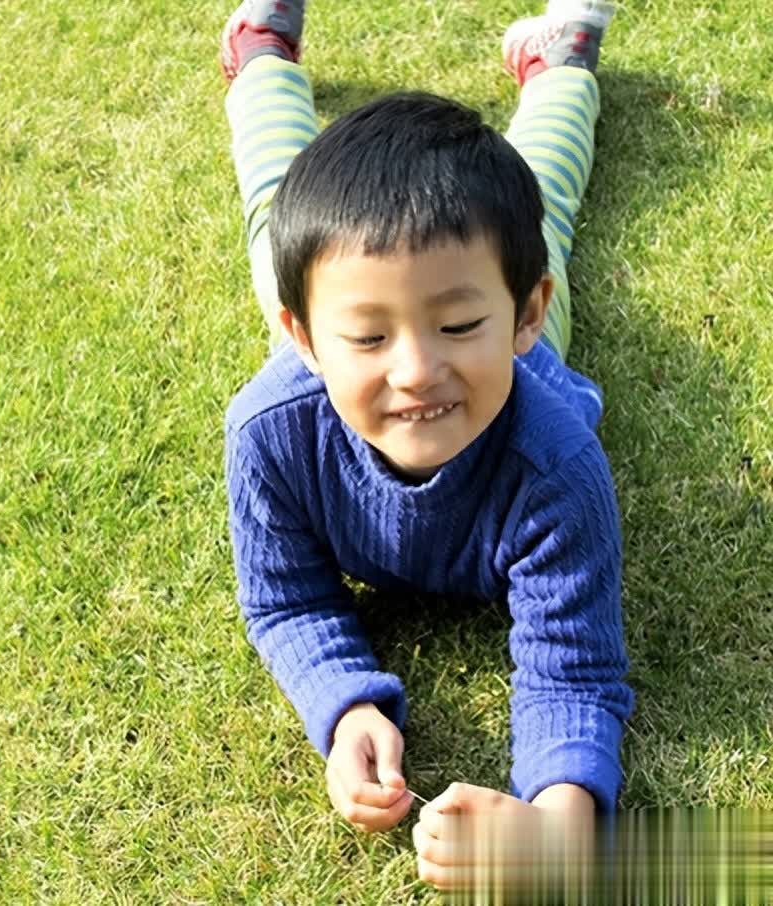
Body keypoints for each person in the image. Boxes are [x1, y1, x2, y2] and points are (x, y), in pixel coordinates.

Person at [219, 0, 634, 890]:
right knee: (274, 208)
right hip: (326, 309)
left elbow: (577, 673)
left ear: (522, 315)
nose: (416, 371)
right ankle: (260, 52)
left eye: (457, 325)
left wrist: (555, 825)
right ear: (302, 337)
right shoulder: (270, 432)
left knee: (540, 202)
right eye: (371, 338)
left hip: (517, 348)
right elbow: (286, 601)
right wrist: (343, 706)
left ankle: (563, 64)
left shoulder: (555, 463)